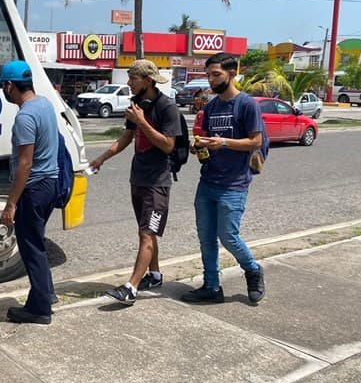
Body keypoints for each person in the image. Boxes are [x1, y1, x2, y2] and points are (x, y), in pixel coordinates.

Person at [90, 59, 182, 305]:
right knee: (146, 233)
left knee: (146, 234)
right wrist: (101, 159)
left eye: (133, 79)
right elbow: (126, 138)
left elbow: (168, 145)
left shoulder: (167, 107)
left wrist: (143, 121)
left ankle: (131, 287)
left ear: (148, 81)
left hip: (157, 182)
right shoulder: (137, 104)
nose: (129, 83)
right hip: (138, 178)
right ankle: (154, 275)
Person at [181, 52, 266, 304]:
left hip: (234, 184)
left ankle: (252, 270)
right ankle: (211, 286)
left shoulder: (246, 104)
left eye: (216, 74)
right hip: (207, 182)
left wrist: (224, 142)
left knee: (228, 236)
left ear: (231, 74)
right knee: (206, 237)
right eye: (208, 75)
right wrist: (199, 147)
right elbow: (207, 139)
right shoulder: (211, 106)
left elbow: (256, 141)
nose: (211, 80)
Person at [0, 60, 59, 325]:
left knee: (31, 247)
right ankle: (47, 294)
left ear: (10, 86)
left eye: (3, 87)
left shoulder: (25, 117)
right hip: (50, 184)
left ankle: (39, 309)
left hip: (33, 188)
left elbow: (25, 163)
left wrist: (11, 203)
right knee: (37, 242)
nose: (3, 91)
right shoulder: (45, 104)